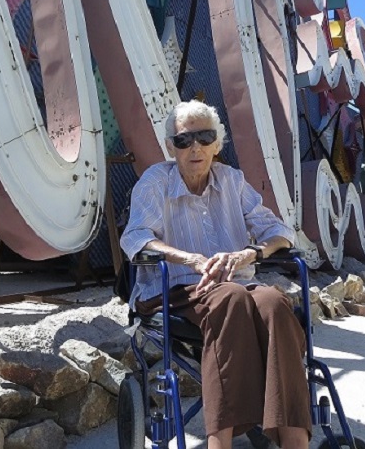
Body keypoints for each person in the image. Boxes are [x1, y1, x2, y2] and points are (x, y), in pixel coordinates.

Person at [120, 100, 311, 449]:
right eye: (184, 140)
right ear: (170, 146)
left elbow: (280, 230)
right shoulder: (155, 181)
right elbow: (135, 237)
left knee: (273, 303)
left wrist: (249, 253)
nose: (195, 147)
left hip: (236, 282)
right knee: (232, 298)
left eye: (204, 137)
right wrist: (190, 259)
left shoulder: (233, 181)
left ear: (217, 143)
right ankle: (218, 442)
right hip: (175, 287)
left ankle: (294, 439)